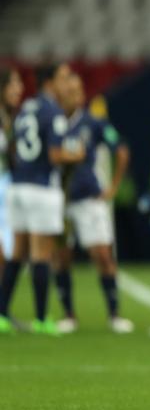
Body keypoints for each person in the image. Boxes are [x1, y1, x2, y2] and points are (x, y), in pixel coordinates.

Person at [0, 63, 85, 334]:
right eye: (62, 78)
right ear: (49, 82)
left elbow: (14, 147)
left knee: (17, 253)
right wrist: (77, 154)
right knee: (41, 255)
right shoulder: (54, 112)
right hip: (41, 188)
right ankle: (40, 318)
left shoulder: (26, 108)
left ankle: (1, 314)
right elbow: (55, 155)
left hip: (18, 187)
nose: (67, 84)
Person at [52, 72, 134, 334]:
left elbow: (121, 148)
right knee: (61, 257)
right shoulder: (52, 122)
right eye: (68, 90)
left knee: (101, 255)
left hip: (89, 199)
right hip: (60, 200)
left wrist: (114, 186)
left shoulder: (94, 123)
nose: (72, 95)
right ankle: (68, 315)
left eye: (76, 90)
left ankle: (114, 314)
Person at [0, 67, 24, 268]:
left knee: (9, 260)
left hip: (8, 192)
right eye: (13, 84)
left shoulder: (16, 119)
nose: (19, 89)